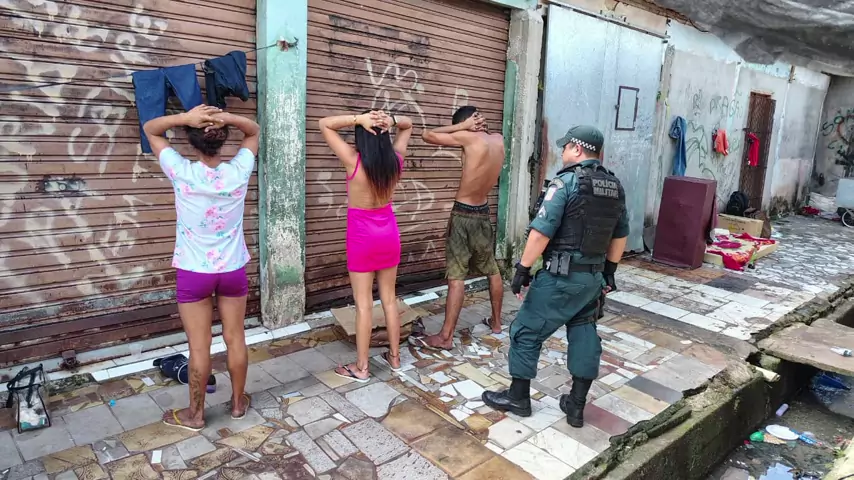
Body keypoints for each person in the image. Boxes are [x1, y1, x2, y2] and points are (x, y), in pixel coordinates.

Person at [481, 125, 629, 428]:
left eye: (565, 147)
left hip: (561, 278)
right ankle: (576, 406)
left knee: (525, 331)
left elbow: (541, 232)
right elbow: (620, 235)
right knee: (584, 332)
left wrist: (522, 269)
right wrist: (609, 273)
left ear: (577, 149)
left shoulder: (565, 183)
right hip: (592, 280)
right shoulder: (615, 186)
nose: (561, 153)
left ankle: (518, 398)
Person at [143, 105, 260, 431]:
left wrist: (185, 118)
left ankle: (195, 415)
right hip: (233, 270)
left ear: (191, 141)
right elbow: (253, 130)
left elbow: (151, 128)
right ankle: (237, 404)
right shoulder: (238, 171)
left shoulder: (181, 170)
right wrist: (226, 118)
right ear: (223, 139)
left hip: (194, 273)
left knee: (199, 346)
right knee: (235, 338)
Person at [318, 110, 414, 382]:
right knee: (389, 300)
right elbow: (408, 126)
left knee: (363, 305)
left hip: (362, 239)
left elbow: (325, 123)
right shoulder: (395, 161)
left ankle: (361, 367)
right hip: (389, 234)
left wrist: (358, 119)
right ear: (385, 137)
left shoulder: (353, 161)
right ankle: (395, 358)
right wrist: (391, 120)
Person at [415, 106, 505, 350]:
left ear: (467, 123)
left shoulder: (468, 137)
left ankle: (445, 337)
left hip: (463, 213)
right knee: (492, 269)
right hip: (483, 213)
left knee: (456, 277)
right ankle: (497, 323)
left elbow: (427, 134)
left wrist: (461, 128)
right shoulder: (498, 140)